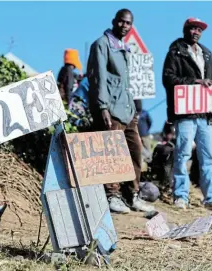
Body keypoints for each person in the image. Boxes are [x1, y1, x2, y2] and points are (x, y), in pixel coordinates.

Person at [87, 8, 155, 214]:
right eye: (122, 22)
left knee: (135, 151)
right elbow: (97, 77)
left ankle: (132, 195)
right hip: (111, 110)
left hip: (127, 110)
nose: (124, 26)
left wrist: (134, 109)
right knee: (111, 154)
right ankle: (112, 195)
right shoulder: (102, 44)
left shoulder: (124, 48)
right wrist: (103, 107)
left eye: (128, 23)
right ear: (114, 21)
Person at [162, 17, 212, 210]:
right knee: (183, 154)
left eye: (199, 30)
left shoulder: (207, 54)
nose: (196, 32)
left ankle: (211, 198)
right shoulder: (175, 51)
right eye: (193, 28)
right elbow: (168, 78)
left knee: (208, 156)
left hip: (205, 115)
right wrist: (195, 82)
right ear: (185, 30)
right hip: (185, 114)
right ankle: (181, 196)